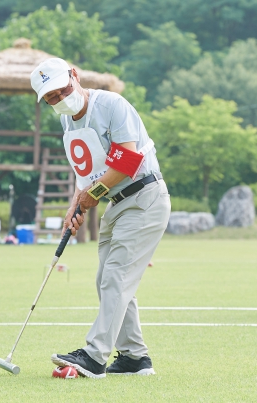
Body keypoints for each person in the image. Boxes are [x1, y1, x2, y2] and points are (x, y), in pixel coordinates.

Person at [31, 58, 170, 378]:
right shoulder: (68, 121)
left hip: (144, 197)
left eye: (61, 90)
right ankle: (134, 357)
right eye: (50, 98)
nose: (58, 99)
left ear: (74, 76)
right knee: (108, 279)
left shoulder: (111, 104)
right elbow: (87, 172)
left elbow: (127, 159)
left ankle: (94, 356)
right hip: (115, 204)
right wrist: (74, 206)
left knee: (116, 278)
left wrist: (90, 196)